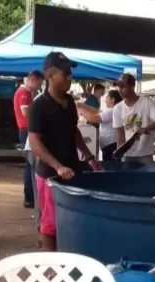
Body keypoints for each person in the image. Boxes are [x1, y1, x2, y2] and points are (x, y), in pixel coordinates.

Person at [28, 52, 102, 252]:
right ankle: (52, 268)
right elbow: (34, 142)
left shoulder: (69, 102)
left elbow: (74, 131)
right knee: (50, 222)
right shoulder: (39, 106)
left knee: (69, 219)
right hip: (50, 175)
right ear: (50, 76)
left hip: (72, 170)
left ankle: (66, 259)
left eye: (70, 73)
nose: (70, 78)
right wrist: (57, 166)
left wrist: (90, 157)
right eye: (65, 73)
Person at [113, 73, 155, 165]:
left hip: (145, 154)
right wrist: (119, 154)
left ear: (132, 87)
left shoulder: (147, 102)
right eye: (119, 87)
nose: (120, 90)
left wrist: (146, 129)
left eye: (123, 87)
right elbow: (120, 134)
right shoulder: (117, 108)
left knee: (147, 179)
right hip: (127, 155)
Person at [14, 70, 44, 208]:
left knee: (30, 164)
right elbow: (26, 113)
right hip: (26, 130)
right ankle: (29, 197)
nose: (39, 87)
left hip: (25, 130)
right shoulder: (24, 93)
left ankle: (30, 196)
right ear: (32, 80)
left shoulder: (26, 93)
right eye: (38, 83)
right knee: (30, 165)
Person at [78, 88, 122, 160]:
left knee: (110, 168)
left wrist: (80, 110)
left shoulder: (112, 111)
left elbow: (93, 118)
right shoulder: (113, 110)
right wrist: (82, 105)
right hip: (110, 145)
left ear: (113, 99)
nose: (105, 100)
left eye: (107, 97)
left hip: (111, 146)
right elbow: (96, 111)